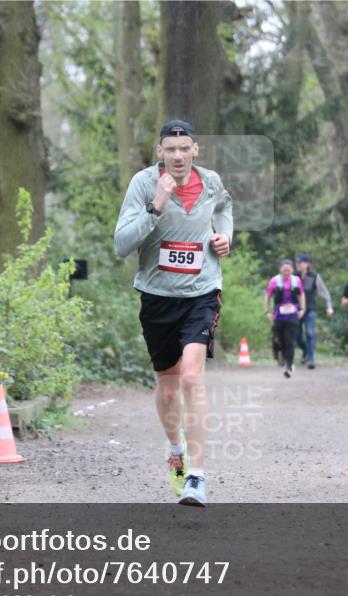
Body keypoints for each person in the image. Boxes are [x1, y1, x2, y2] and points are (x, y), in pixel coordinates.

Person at [114, 119, 232, 507]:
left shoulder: (211, 182)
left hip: (202, 292)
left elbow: (225, 207)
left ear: (195, 150)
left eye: (185, 149)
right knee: (168, 385)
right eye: (171, 149)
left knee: (192, 379)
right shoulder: (144, 184)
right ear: (160, 152)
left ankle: (197, 476)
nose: (178, 156)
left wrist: (224, 235)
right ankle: (174, 446)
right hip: (157, 295)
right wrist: (157, 204)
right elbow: (121, 244)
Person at [264, 259, 306, 378]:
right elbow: (267, 296)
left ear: (292, 270)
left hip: (292, 316)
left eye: (289, 269)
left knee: (290, 341)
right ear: (281, 269)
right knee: (278, 339)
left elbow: (301, 294)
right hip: (278, 316)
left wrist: (302, 309)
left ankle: (289, 365)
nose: (286, 271)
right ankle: (279, 354)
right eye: (284, 269)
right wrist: (267, 311)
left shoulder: (296, 280)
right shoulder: (274, 281)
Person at [294, 254, 334, 369]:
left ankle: (310, 359)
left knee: (310, 333)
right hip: (296, 311)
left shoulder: (315, 276)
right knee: (296, 336)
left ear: (307, 264)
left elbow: (325, 293)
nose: (298, 265)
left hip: (310, 309)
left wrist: (329, 306)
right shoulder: (293, 276)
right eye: (297, 263)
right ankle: (306, 350)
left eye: (300, 263)